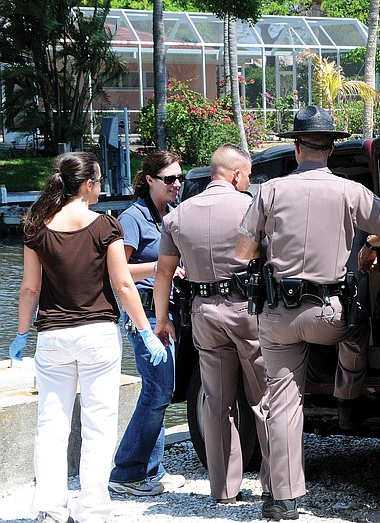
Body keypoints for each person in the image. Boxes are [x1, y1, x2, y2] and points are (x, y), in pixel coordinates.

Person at [235, 105, 380, 520]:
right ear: (330, 150)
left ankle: (284, 500)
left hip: (278, 315)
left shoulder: (270, 191)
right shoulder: (352, 192)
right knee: (357, 328)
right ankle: (347, 401)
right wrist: (370, 248)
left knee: (282, 403)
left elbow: (243, 251)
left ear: (297, 148)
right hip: (330, 313)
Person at [10, 152, 164, 523]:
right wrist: (146, 331)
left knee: (51, 422)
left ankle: (49, 506)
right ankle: (92, 507)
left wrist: (19, 334)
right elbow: (123, 283)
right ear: (88, 185)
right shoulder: (105, 226)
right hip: (97, 335)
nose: (100, 187)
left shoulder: (37, 226)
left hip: (52, 337)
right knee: (99, 422)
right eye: (97, 181)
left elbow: (29, 289)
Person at [153, 145, 270, 505]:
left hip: (203, 311)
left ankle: (222, 490)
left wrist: (161, 320)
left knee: (217, 403)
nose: (247, 181)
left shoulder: (179, 215)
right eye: (247, 175)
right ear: (236, 174)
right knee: (265, 399)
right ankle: (275, 485)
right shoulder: (250, 206)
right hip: (247, 309)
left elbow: (163, 272)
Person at [108, 151, 186, 496]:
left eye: (179, 178)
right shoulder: (133, 217)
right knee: (157, 391)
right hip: (145, 315)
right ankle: (127, 471)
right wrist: (160, 268)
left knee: (160, 393)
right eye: (170, 179)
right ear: (150, 179)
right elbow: (116, 273)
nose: (177, 184)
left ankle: (150, 469)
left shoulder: (170, 214)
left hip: (169, 312)